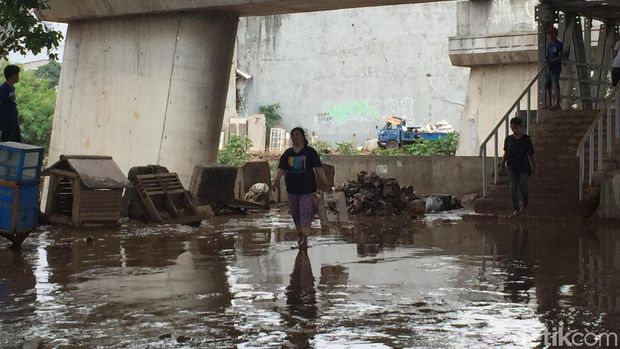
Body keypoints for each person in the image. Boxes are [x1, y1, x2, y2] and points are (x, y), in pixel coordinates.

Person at [273, 127, 332, 248]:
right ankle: (300, 234)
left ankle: (304, 238)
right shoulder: (287, 153)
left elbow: (318, 169)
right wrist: (276, 180)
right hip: (292, 189)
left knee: (305, 213)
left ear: (303, 137)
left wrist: (326, 182)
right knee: (295, 214)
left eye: (297, 135)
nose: (295, 137)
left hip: (307, 189)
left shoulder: (310, 152)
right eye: (293, 135)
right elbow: (281, 169)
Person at [501, 117, 536, 216]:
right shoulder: (508, 139)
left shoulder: (526, 139)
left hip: (524, 167)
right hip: (512, 166)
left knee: (523, 185)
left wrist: (534, 166)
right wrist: (502, 164)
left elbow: (530, 154)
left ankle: (525, 203)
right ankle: (515, 208)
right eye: (512, 128)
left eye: (516, 128)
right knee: (512, 188)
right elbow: (506, 153)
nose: (514, 130)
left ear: (520, 127)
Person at [0, 65, 22, 142]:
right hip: (6, 125)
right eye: (17, 74)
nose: (18, 76)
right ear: (13, 75)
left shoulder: (12, 88)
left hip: (14, 124)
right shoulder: (3, 89)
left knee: (17, 146)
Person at [545, 27, 563, 110]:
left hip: (556, 67)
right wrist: (547, 61)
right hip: (550, 67)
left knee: (556, 85)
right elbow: (547, 56)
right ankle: (549, 104)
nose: (550, 36)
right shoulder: (550, 45)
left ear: (555, 34)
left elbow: (560, 56)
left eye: (552, 34)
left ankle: (557, 104)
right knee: (547, 85)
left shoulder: (558, 44)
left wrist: (551, 61)